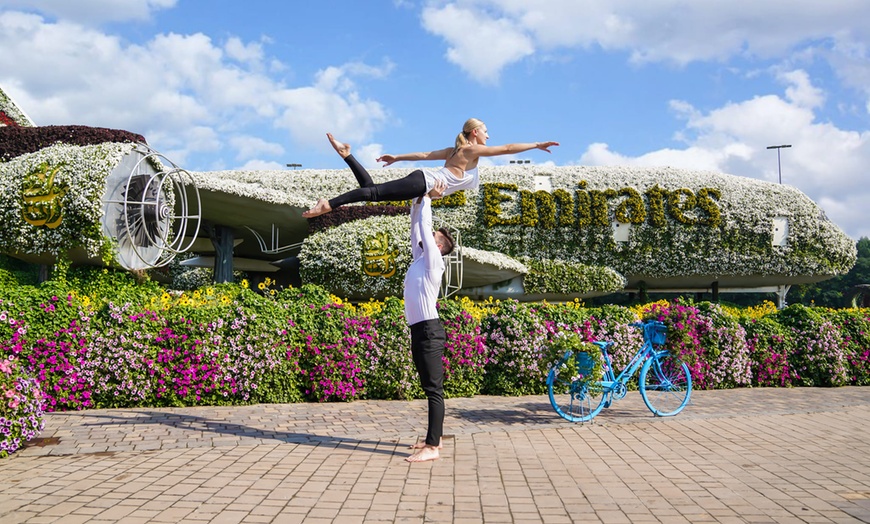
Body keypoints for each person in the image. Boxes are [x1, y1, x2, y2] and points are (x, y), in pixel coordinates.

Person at [301, 118, 559, 218]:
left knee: (371, 190)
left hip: (422, 181)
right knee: (373, 194)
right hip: (423, 182)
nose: (488, 137)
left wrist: (398, 157)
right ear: (474, 133)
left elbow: (425, 154)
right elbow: (507, 148)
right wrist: (536, 144)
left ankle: (347, 155)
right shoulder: (470, 149)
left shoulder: (455, 150)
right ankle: (329, 204)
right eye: (486, 131)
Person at [404, 182, 453, 462]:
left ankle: (432, 447)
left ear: (437, 246)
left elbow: (424, 225)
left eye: (432, 236)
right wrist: (415, 204)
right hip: (419, 330)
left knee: (434, 390)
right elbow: (416, 228)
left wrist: (427, 196)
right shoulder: (419, 260)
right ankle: (433, 439)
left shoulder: (435, 263)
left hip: (429, 331)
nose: (426, 236)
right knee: (428, 386)